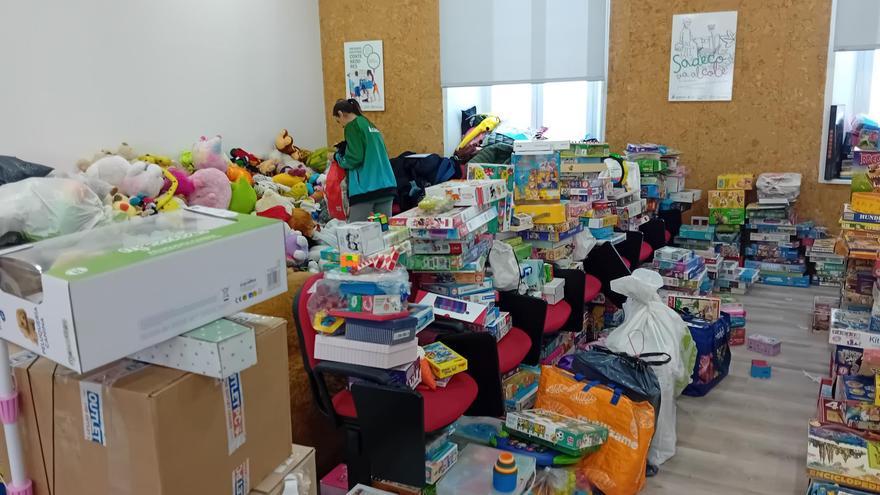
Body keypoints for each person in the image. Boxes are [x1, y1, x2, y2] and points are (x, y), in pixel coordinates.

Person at [333, 98, 396, 222]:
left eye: (338, 121)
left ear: (340, 113)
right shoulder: (369, 124)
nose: (341, 125)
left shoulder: (352, 126)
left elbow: (354, 158)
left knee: (356, 230)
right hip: (386, 185)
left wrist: (337, 157)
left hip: (366, 188)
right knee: (384, 229)